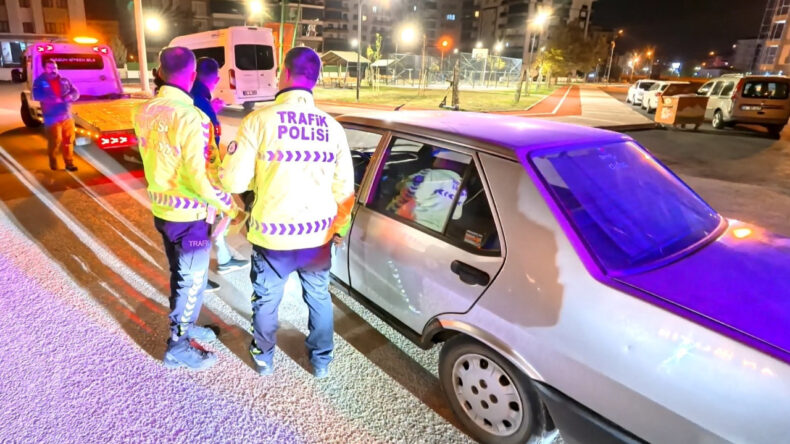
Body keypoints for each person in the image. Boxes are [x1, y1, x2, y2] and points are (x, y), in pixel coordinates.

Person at [220, 47, 354, 379]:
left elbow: (233, 179)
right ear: (316, 80)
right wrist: (340, 228)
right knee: (319, 296)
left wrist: (256, 179)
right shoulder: (332, 128)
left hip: (273, 235)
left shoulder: (259, 121)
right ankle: (321, 360)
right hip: (318, 236)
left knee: (266, 299)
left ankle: (264, 358)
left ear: (284, 73)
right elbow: (345, 191)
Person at [133, 47, 242, 370]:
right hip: (190, 219)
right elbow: (198, 179)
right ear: (193, 76)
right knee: (191, 281)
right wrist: (230, 207)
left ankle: (186, 325)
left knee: (181, 277)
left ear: (161, 72)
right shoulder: (191, 117)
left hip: (163, 213)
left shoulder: (143, 111)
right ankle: (177, 346)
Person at [191, 57, 250, 275]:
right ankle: (197, 278)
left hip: (200, 173)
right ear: (215, 79)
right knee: (216, 216)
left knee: (210, 218)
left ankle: (221, 257)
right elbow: (206, 146)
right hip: (205, 173)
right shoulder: (199, 101)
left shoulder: (195, 97)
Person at [386, 148, 468, 232]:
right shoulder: (462, 188)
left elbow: (405, 191)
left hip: (407, 228)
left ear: (445, 159)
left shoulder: (430, 175)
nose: (434, 159)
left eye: (437, 156)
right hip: (434, 235)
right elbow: (456, 215)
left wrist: (398, 183)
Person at [32, 59, 80, 172]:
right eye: (50, 68)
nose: (53, 70)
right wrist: (55, 100)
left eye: (55, 67)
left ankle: (69, 164)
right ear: (45, 69)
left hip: (67, 116)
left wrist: (71, 97)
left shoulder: (65, 80)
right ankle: (53, 163)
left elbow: (76, 92)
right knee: (55, 141)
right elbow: (38, 95)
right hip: (51, 117)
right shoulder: (39, 81)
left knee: (68, 141)